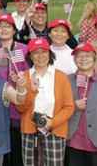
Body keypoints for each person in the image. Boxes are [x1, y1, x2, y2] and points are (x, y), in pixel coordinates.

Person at [16, 37, 75, 166]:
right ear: (30, 56)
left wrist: (52, 123)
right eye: (36, 52)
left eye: (44, 51)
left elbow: (69, 107)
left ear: (50, 53)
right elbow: (20, 108)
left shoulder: (61, 77)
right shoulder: (24, 77)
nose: (40, 56)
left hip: (55, 130)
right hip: (30, 131)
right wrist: (31, 91)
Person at [0, 14, 29, 166]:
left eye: (8, 26)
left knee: (16, 149)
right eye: (0, 26)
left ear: (14, 30)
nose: (4, 29)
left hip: (17, 109)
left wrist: (19, 80)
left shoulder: (24, 50)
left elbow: (30, 76)